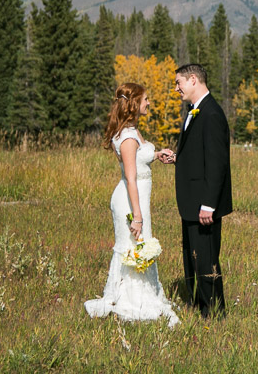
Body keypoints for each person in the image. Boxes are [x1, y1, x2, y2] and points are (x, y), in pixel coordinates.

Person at [84, 82, 181, 325]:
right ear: (135, 103)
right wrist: (137, 216)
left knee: (139, 245)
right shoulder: (127, 136)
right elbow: (131, 178)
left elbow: (139, 160)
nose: (149, 103)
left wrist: (156, 155)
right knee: (132, 247)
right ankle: (131, 301)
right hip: (129, 201)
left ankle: (144, 295)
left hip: (138, 199)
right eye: (145, 99)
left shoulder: (133, 130)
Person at [160, 63, 232, 318]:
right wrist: (178, 158)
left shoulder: (211, 114)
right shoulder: (195, 111)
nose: (176, 88)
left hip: (203, 204)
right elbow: (200, 155)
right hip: (192, 202)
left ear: (193, 80)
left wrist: (209, 204)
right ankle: (197, 305)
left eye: (178, 82)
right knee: (192, 257)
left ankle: (214, 313)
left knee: (206, 260)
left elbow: (216, 163)